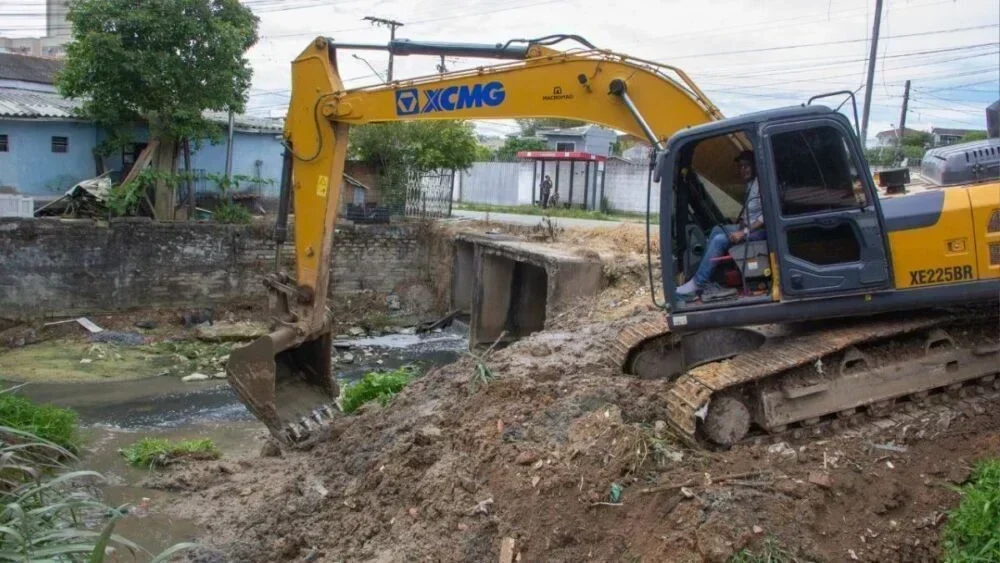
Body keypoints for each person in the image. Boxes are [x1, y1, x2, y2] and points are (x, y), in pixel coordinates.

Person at [676, 149, 766, 302]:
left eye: (746, 166)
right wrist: (740, 224)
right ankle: (706, 274)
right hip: (748, 227)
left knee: (719, 240)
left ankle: (699, 282)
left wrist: (742, 233)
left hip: (762, 231)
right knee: (717, 229)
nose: (742, 170)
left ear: (755, 166)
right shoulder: (751, 185)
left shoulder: (762, 185)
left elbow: (765, 217)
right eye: (741, 166)